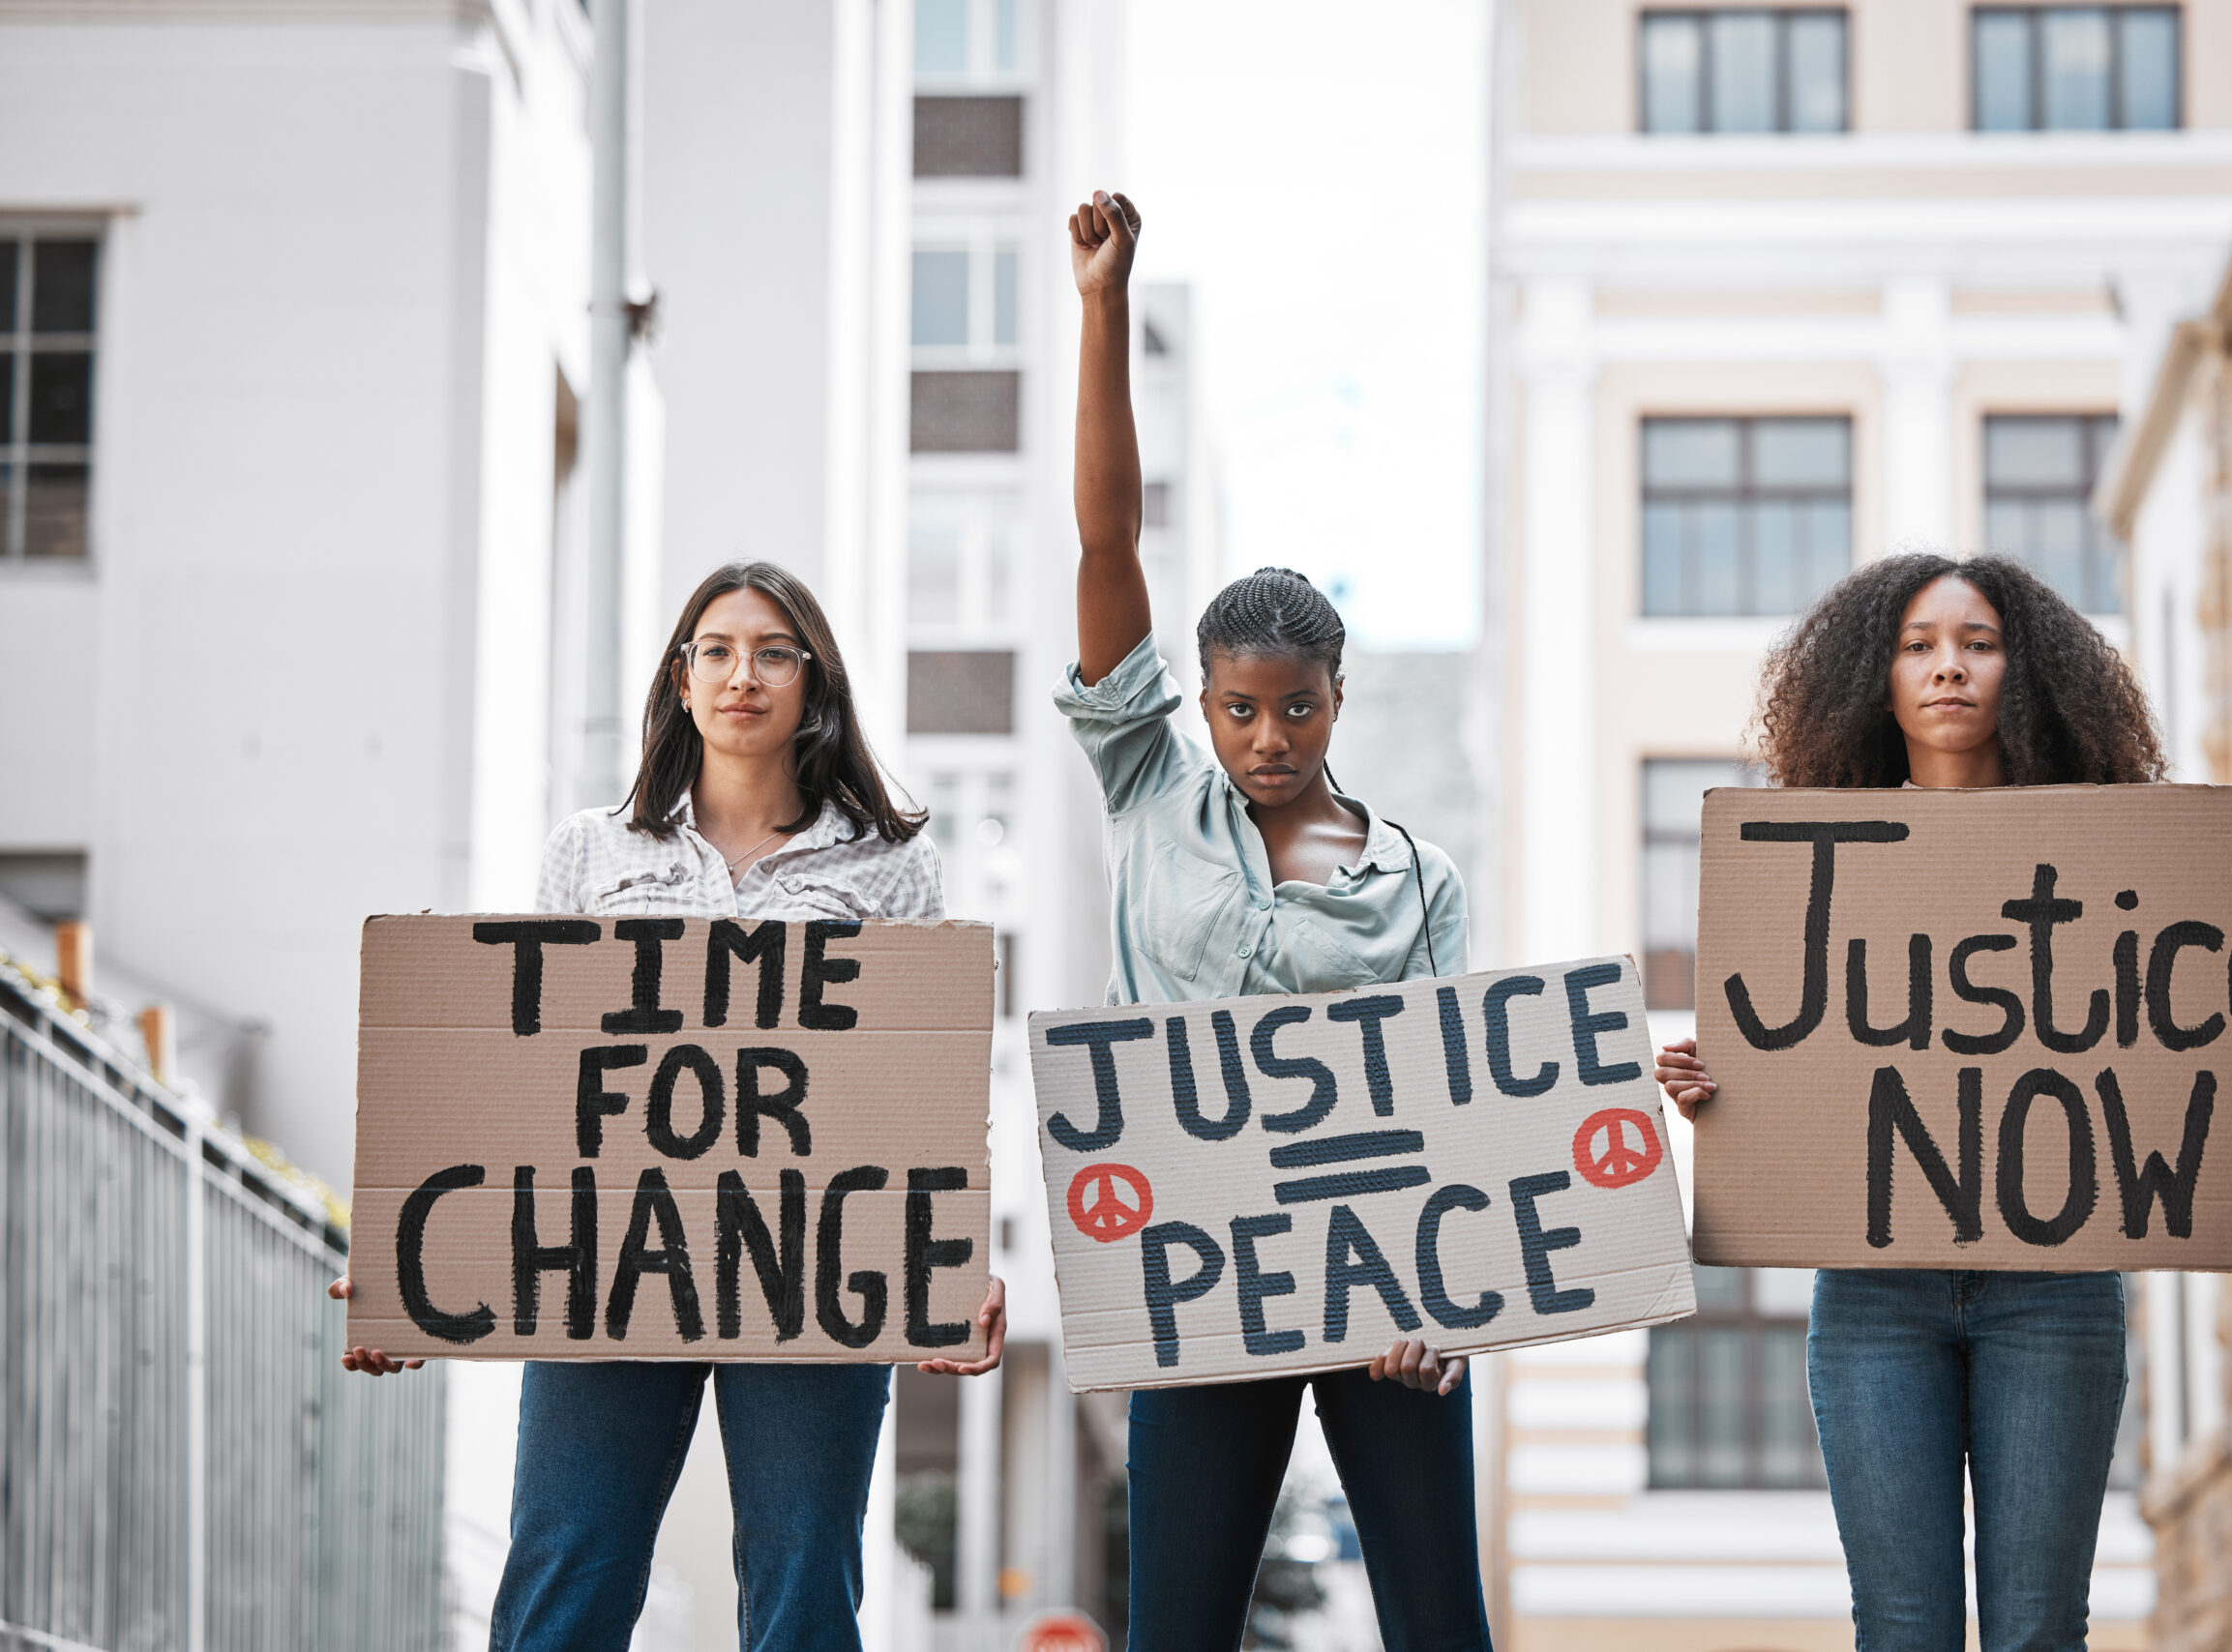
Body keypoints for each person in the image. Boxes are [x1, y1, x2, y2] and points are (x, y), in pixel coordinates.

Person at [1653, 554, 2232, 1652]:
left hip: (2058, 1286)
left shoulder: (2120, 854)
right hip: (1873, 1292)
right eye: (1918, 645)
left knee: (2040, 1629)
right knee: (1901, 1630)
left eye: (1978, 643)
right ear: (1875, 677)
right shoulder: (1807, 860)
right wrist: (1727, 1083)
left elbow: (2189, 1031)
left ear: (2025, 672)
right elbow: (1813, 1060)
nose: (1949, 668)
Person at [328, 560, 1006, 1652]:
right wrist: (421, 1268)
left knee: (803, 1582)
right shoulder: (591, 851)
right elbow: (523, 1077)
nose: (745, 674)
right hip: (610, 1259)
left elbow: (916, 1084)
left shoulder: (888, 868)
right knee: (566, 1570)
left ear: (813, 682)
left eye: (774, 651)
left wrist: (949, 1260)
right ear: (682, 679)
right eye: (718, 650)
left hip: (809, 1270)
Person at [1060, 191, 1491, 1650]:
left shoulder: (1420, 881)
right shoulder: (1148, 793)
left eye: (1295, 707)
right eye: (1238, 708)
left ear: (1339, 696)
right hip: (1204, 1267)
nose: (1265, 739)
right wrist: (1105, 310)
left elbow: (1448, 1097)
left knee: (1439, 1622)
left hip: (1388, 1296)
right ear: (1201, 701)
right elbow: (1106, 543)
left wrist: (1444, 1298)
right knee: (1175, 1626)